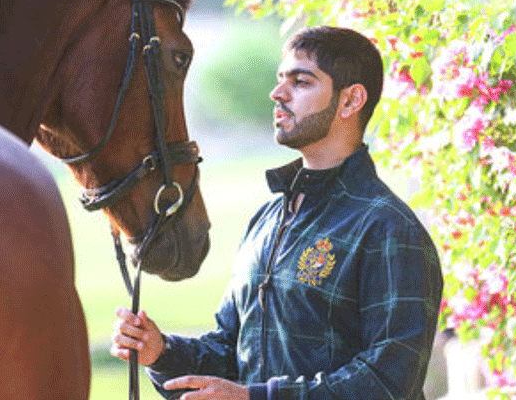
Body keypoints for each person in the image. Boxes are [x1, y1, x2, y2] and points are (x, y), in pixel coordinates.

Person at [111, 26, 444, 400]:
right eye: (279, 79)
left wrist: (256, 398)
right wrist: (162, 352)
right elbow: (231, 351)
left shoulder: (389, 229)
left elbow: (387, 382)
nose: (277, 93)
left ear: (351, 101)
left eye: (301, 81)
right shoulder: (268, 219)